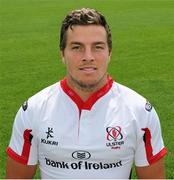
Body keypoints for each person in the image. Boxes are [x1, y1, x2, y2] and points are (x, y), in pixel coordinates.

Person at [6, 8, 167, 179]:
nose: (88, 56)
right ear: (62, 54)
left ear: (109, 53)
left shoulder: (140, 112)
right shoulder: (32, 110)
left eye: (97, 47)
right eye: (77, 47)